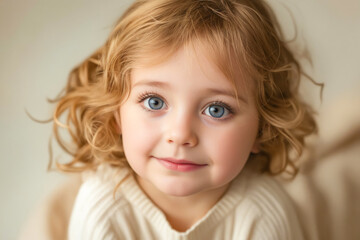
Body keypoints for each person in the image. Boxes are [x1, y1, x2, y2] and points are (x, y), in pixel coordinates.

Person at [51, 0, 320, 239]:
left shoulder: (264, 215)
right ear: (115, 114)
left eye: (217, 109)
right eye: (154, 102)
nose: (180, 134)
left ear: (263, 129)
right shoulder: (102, 209)